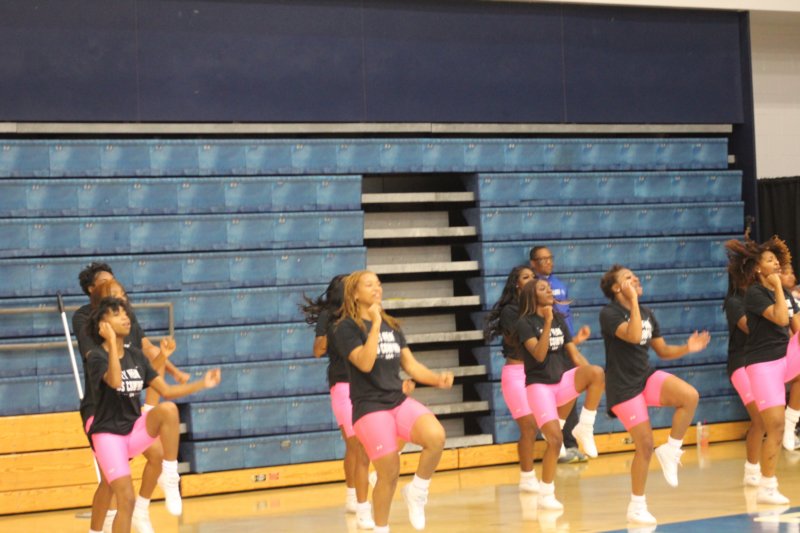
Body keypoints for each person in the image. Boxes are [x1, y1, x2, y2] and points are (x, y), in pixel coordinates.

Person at [85, 297, 221, 533]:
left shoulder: (136, 356)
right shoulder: (96, 356)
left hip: (132, 429)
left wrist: (202, 383)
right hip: (108, 435)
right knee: (125, 499)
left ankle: (170, 474)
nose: (125, 317)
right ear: (103, 325)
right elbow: (115, 381)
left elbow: (166, 391)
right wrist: (111, 344)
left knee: (168, 409)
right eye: (116, 314)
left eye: (125, 313)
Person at [332, 271, 454, 532]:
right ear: (355, 294)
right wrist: (375, 324)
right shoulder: (346, 327)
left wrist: (436, 379)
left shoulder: (393, 326)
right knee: (388, 472)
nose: (376, 288)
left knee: (436, 437)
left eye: (378, 284)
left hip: (397, 401)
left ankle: (417, 491)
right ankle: (381, 528)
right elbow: (364, 363)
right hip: (369, 408)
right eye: (369, 284)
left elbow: (411, 365)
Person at [599, 265, 710, 525]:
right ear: (616, 288)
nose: (635, 278)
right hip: (623, 387)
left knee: (689, 396)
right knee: (645, 445)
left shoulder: (647, 313)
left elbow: (662, 350)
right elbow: (634, 335)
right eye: (628, 277)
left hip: (645, 376)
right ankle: (637, 506)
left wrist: (687, 348)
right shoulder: (609, 313)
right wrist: (633, 303)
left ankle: (671, 449)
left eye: (635, 275)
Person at [515, 278, 605, 510]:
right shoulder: (525, 322)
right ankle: (546, 493)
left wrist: (592, 378)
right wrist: (546, 322)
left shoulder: (559, 319)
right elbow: (539, 355)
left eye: (549, 288)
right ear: (532, 296)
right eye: (543, 289)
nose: (549, 291)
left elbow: (573, 355)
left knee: (596, 372)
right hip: (539, 387)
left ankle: (584, 427)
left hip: (561, 382)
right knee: (555, 441)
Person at [302, 274, 374, 529]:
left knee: (366, 442)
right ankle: (354, 496)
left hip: (365, 382)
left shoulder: (364, 315)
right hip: (342, 383)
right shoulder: (329, 316)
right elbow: (318, 350)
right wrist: (332, 334)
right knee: (354, 443)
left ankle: (363, 485)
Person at [736, 236, 800, 504]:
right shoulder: (755, 293)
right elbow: (781, 318)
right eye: (770, 260)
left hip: (785, 357)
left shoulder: (785, 293)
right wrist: (778, 289)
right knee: (772, 426)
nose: (776, 263)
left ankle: (792, 419)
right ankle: (767, 486)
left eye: (777, 260)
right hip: (763, 364)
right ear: (758, 268)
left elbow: (797, 328)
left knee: (781, 424)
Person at [530, 246, 591, 463]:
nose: (548, 262)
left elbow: (563, 321)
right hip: (545, 352)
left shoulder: (559, 285)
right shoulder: (532, 289)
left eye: (550, 258)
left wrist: (574, 341)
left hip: (564, 346)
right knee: (550, 400)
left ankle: (571, 444)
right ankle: (557, 445)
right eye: (542, 259)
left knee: (570, 397)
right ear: (533, 263)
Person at [483, 265, 541, 492]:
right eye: (526, 277)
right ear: (517, 284)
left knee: (543, 424)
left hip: (538, 373)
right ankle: (527, 477)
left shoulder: (541, 308)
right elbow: (522, 342)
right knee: (529, 426)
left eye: (534, 277)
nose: (532, 279)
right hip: (517, 374)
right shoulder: (511, 310)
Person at [722, 243, 765, 488]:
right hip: (740, 363)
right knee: (759, 419)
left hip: (761, 361)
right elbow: (750, 327)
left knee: (767, 420)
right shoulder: (734, 301)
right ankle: (752, 470)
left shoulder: (761, 295)